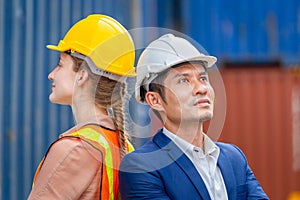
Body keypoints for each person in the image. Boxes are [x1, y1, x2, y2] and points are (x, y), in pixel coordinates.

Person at [118, 34, 269, 200]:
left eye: (203, 78)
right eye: (184, 80)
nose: (201, 89)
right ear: (155, 100)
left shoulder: (235, 158)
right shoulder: (142, 167)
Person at [28, 14, 135, 199]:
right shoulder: (123, 146)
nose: (51, 75)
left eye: (60, 65)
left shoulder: (73, 150)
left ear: (82, 75)